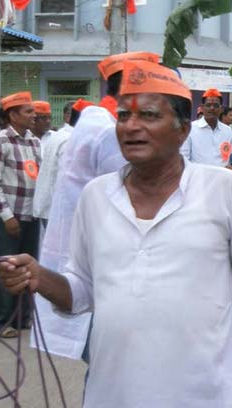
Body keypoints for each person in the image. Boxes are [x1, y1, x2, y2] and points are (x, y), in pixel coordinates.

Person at [0, 61, 232, 408]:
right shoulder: (95, 197)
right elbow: (81, 293)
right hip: (113, 394)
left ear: (183, 129)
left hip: (207, 395)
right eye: (123, 116)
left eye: (149, 116)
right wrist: (39, 276)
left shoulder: (223, 189)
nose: (132, 127)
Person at [37, 52, 158, 359]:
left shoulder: (95, 120)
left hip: (88, 250)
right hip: (105, 258)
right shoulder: (111, 131)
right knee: (117, 363)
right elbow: (137, 198)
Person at [0, 91, 42, 337]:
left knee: (28, 269)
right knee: (5, 270)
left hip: (31, 215)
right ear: (13, 115)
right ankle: (0, 322)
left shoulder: (35, 142)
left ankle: (21, 318)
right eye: (28, 111)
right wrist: (6, 216)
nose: (34, 115)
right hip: (10, 218)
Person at [32, 100, 86, 225]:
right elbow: (68, 178)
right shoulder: (69, 139)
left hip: (50, 206)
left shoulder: (58, 135)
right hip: (58, 209)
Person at [181, 88, 232, 166]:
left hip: (222, 177)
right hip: (198, 177)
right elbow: (184, 159)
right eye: (208, 105)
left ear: (221, 109)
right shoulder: (191, 129)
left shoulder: (228, 131)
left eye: (216, 105)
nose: (212, 108)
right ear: (202, 108)